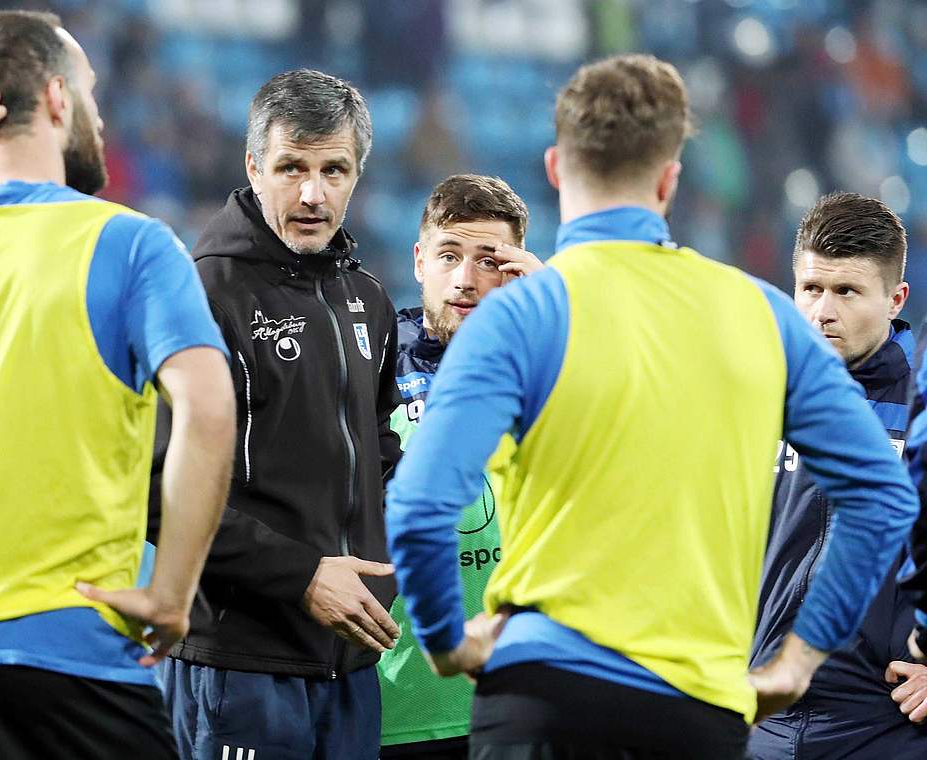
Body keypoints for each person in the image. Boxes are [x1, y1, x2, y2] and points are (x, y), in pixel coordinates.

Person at [385, 53, 919, 760]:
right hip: (695, 706)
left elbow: (420, 504)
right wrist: (799, 659)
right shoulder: (757, 311)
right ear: (669, 178)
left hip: (541, 695)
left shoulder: (519, 316)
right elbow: (881, 495)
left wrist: (450, 641)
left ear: (554, 167)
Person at [0, 11, 234, 759]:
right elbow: (210, 403)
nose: (95, 111)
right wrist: (174, 592)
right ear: (58, 99)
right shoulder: (130, 243)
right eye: (88, 92)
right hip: (74, 651)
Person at [153, 68, 402, 760]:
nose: (313, 194)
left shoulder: (367, 299)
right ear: (253, 166)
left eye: (334, 170)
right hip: (238, 664)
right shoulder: (201, 293)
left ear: (358, 174)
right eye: (291, 167)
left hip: (348, 666)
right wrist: (300, 577)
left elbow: (374, 453)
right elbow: (155, 484)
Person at [749, 192, 927, 756]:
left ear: (895, 298)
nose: (823, 311)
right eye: (811, 289)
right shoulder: (752, 394)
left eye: (847, 292)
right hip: (758, 719)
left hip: (884, 727)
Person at [379, 174, 542, 760]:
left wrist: (553, 312)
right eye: (449, 255)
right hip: (395, 707)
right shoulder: (370, 359)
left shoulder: (551, 362)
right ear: (420, 260)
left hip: (520, 700)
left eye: (489, 261)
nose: (466, 279)